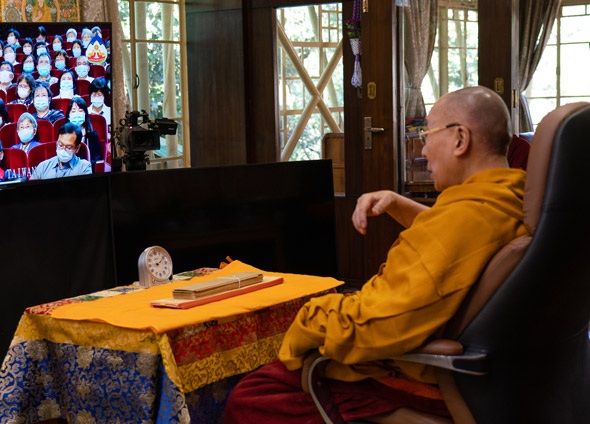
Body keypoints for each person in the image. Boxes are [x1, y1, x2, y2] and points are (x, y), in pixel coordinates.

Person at [223, 86, 529, 424]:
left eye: (426, 135)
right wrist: (400, 203)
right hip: (500, 377)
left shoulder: (463, 220)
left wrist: (311, 316)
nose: (423, 150)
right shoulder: (514, 197)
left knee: (253, 394)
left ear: (460, 139)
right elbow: (459, 245)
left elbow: (379, 324)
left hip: (421, 373)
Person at [65, 96, 101, 164]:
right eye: (73, 111)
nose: (77, 114)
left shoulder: (92, 134)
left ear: (85, 114)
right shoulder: (63, 135)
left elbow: (96, 158)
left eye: (80, 111)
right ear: (69, 116)